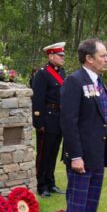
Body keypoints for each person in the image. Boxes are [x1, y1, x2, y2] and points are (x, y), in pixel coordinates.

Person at [60, 39, 107, 212]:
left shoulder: (99, 82)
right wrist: (76, 156)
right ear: (89, 58)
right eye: (103, 55)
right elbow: (69, 122)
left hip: (97, 154)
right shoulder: (74, 81)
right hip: (81, 156)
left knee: (91, 203)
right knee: (77, 204)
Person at [31, 42, 66, 197]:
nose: (63, 58)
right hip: (47, 117)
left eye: (63, 55)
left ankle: (50, 182)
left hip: (59, 117)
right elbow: (37, 99)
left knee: (53, 152)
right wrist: (39, 121)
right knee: (43, 153)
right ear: (51, 56)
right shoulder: (42, 73)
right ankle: (41, 184)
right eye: (60, 55)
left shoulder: (62, 72)